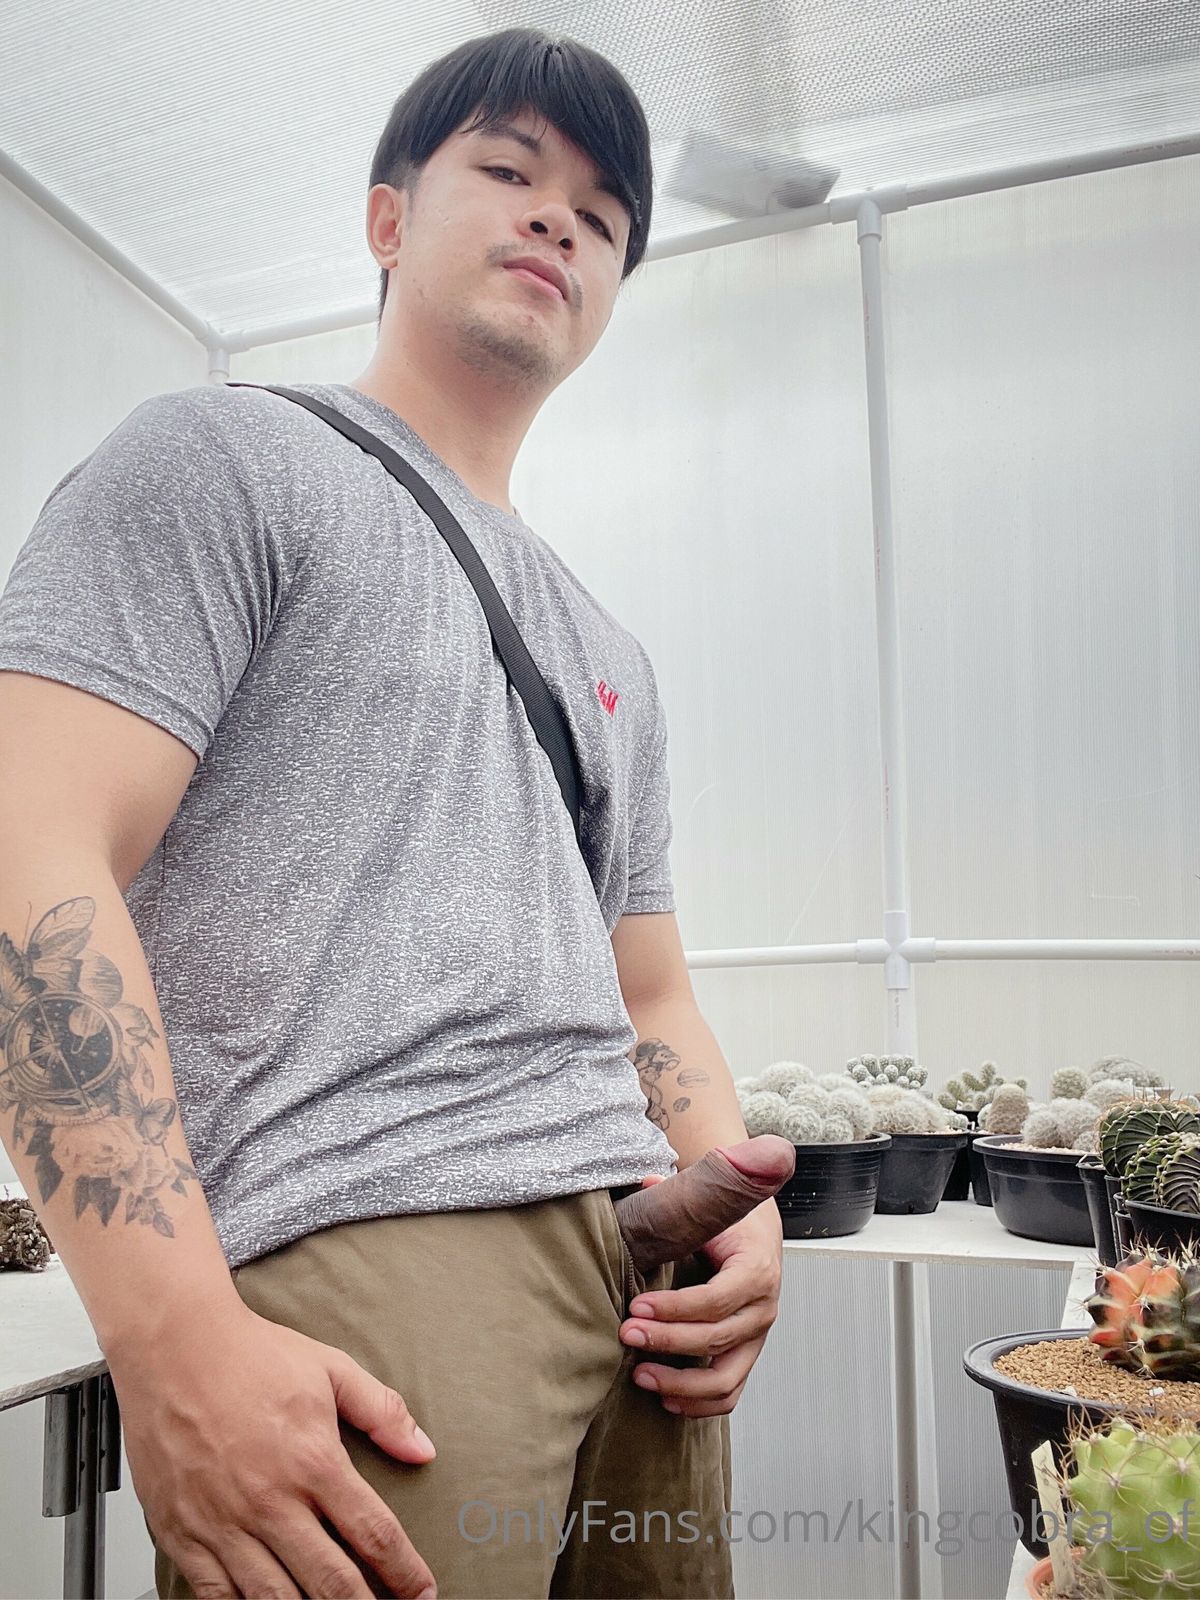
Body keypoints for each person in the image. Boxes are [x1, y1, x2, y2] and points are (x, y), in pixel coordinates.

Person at [0, 27, 785, 1599]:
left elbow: (648, 989)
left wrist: (739, 1203)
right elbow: (30, 852)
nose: (560, 219)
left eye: (604, 216)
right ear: (385, 219)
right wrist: (174, 1338)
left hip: (643, 1286)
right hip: (376, 1258)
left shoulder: (611, 651)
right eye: (508, 169)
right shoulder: (224, 459)